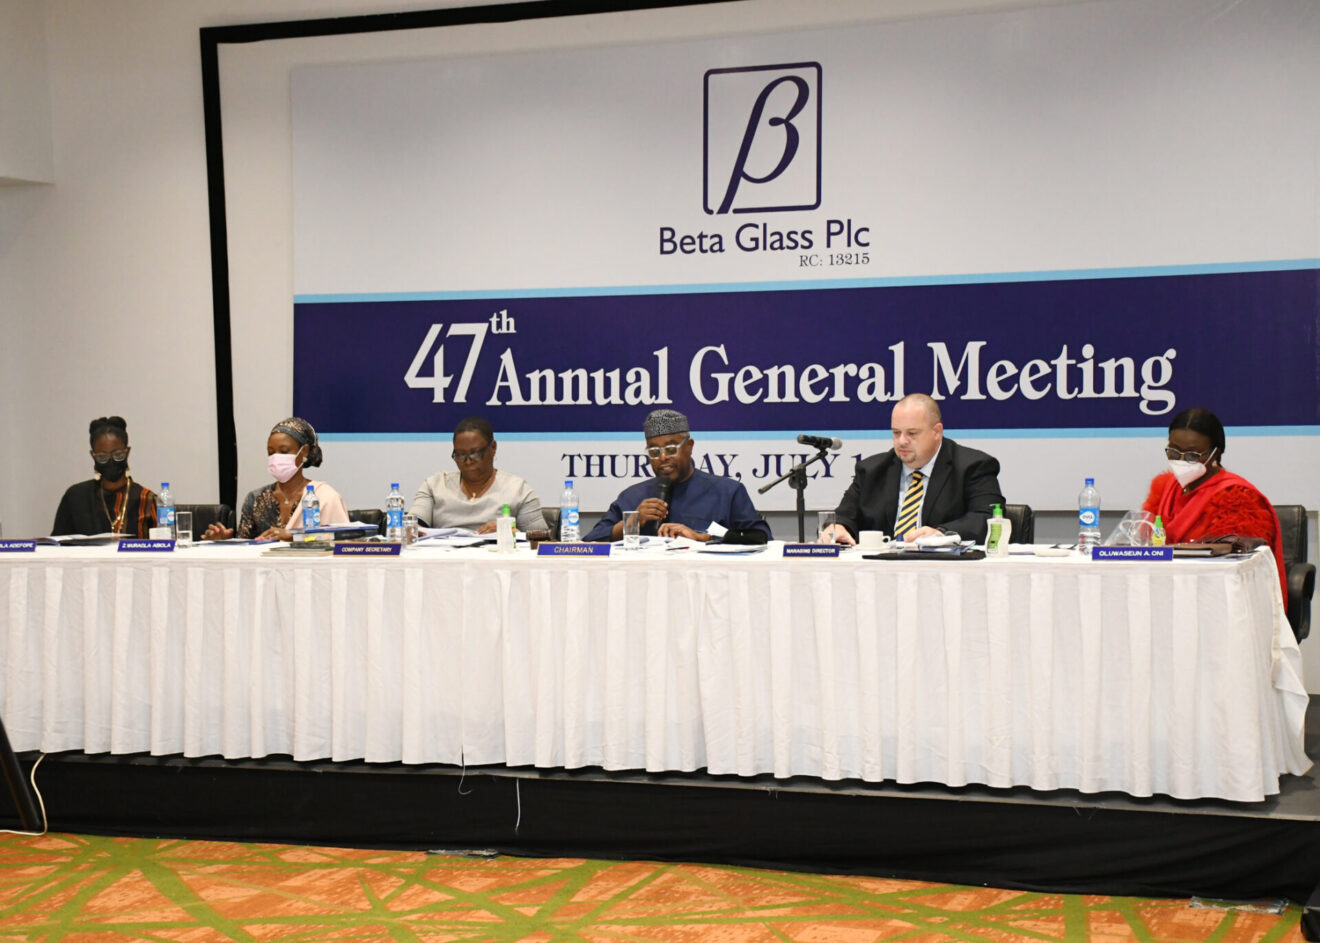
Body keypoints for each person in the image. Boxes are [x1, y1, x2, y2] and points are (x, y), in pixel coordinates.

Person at [1142, 407, 1287, 602]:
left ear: (1215, 454)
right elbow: (1143, 543)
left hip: (1214, 597)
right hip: (1163, 590)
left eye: (1192, 455)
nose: (1182, 461)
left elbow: (1234, 569)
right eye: (1174, 453)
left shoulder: (1238, 497)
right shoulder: (1164, 489)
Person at [828, 393, 1004, 544]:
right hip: (882, 572)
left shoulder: (973, 466)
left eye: (912, 433)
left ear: (937, 431)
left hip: (946, 573)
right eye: (896, 433)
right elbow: (843, 517)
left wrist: (942, 533)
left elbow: (987, 518)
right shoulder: (871, 470)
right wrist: (837, 529)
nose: (902, 441)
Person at [586, 409, 772, 542]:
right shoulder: (633, 497)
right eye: (654, 451)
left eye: (671, 448)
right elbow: (590, 541)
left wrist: (703, 537)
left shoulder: (727, 492)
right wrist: (632, 522)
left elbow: (761, 537)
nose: (663, 457)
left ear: (689, 446)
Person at [203, 417, 349, 540]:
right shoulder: (255, 498)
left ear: (303, 451)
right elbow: (244, 547)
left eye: (284, 451)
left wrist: (293, 536)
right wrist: (223, 542)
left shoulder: (325, 496)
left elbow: (344, 540)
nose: (276, 457)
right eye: (271, 452)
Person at [409, 416, 546, 534]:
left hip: (499, 561)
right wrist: (411, 531)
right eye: (460, 455)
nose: (468, 461)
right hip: (446, 561)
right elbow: (410, 528)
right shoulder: (435, 485)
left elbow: (544, 542)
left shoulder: (518, 489)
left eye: (475, 453)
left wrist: (513, 532)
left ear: (493, 447)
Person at [52, 416, 159, 537]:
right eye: (102, 457)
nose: (111, 461)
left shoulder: (147, 499)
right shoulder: (76, 497)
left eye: (118, 455)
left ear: (127, 452)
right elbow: (57, 544)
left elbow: (163, 547)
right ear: (93, 455)